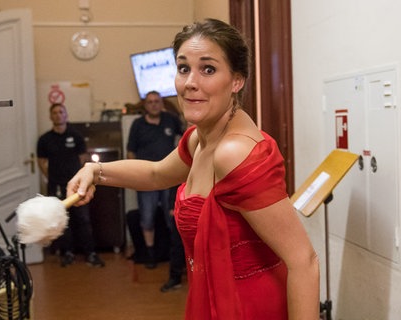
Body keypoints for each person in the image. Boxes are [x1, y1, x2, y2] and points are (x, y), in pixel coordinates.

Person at [66, 19, 319, 319]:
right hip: (215, 298)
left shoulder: (233, 152)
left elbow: (304, 261)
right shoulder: (202, 136)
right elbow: (156, 174)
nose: (190, 83)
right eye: (184, 68)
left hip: (247, 307)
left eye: (208, 69)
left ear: (237, 81)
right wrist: (96, 172)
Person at [37, 103, 105, 268]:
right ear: (50, 116)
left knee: (83, 219)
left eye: (61, 112)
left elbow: (83, 158)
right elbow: (41, 162)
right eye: (55, 112)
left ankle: (90, 253)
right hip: (56, 185)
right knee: (62, 220)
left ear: (66, 115)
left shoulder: (76, 136)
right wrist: (52, 177)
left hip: (76, 186)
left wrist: (78, 179)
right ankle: (67, 253)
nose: (58, 115)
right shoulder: (44, 139)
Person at [127, 90, 183, 268]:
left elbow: (186, 137)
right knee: (147, 218)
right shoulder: (137, 124)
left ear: (162, 103)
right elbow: (130, 153)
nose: (154, 104)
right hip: (146, 179)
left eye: (157, 101)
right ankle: (150, 254)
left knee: (173, 219)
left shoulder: (171, 119)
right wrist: (133, 177)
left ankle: (175, 257)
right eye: (150, 102)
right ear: (145, 105)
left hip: (169, 178)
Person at [159, 184, 186, 292]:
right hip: (181, 201)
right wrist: (172, 204)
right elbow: (175, 182)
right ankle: (175, 277)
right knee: (177, 243)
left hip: (205, 200)